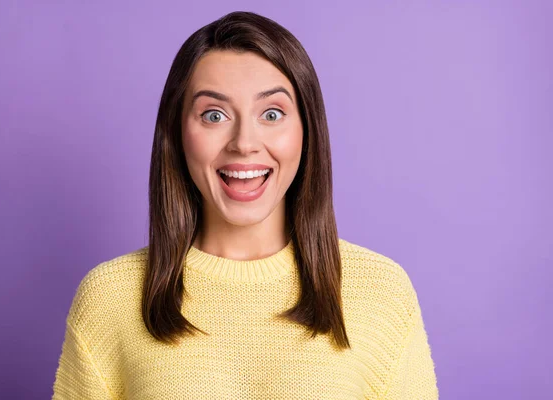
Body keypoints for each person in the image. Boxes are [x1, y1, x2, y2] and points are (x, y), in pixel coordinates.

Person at [52, 11, 438, 399]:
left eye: (272, 114)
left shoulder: (382, 294)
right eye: (214, 115)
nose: (244, 142)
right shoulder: (110, 298)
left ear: (307, 131)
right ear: (177, 133)